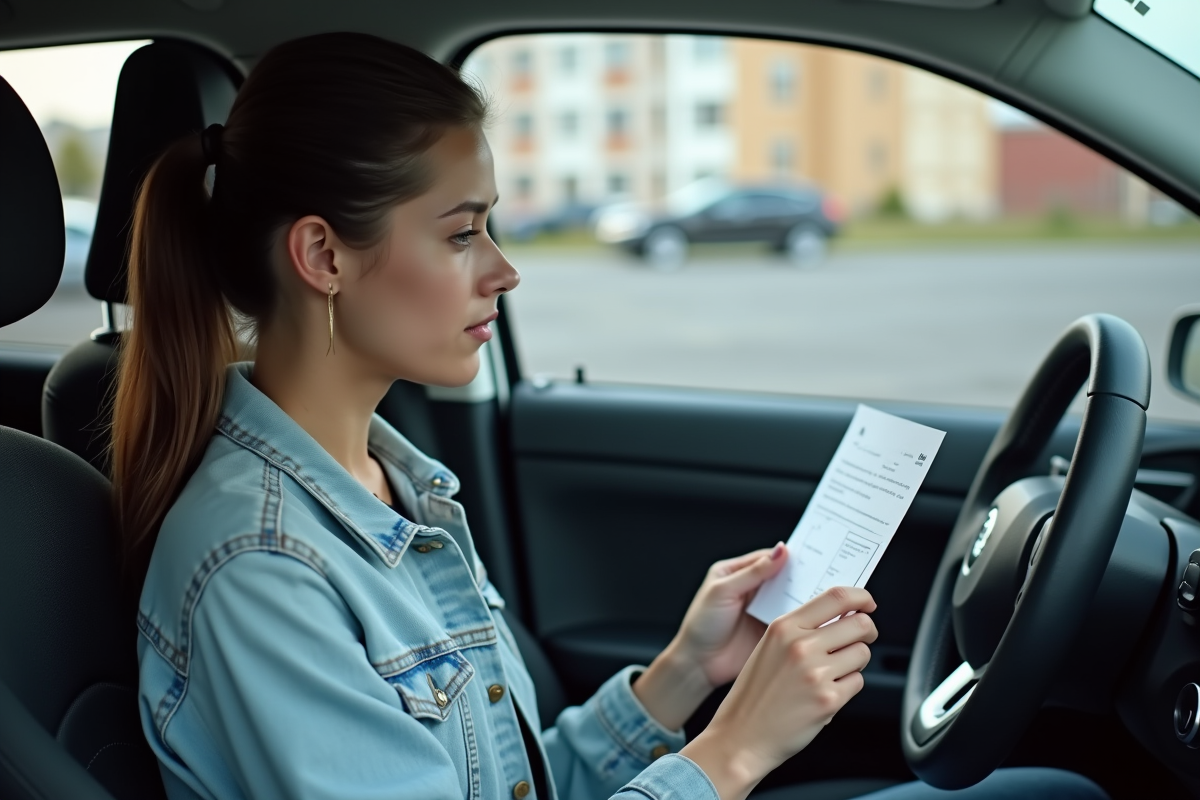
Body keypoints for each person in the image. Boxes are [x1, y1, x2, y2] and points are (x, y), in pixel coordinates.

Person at [113, 32, 1108, 800]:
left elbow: (510, 783)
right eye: (461, 233)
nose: (504, 269)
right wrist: (733, 749)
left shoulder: (390, 484)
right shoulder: (262, 568)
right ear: (324, 256)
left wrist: (685, 673)